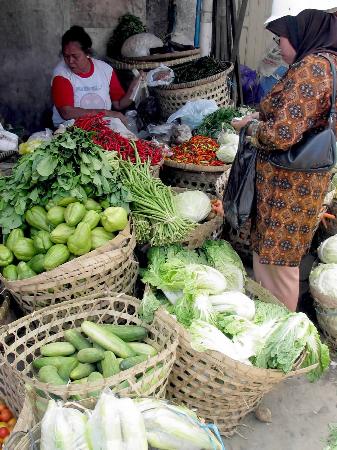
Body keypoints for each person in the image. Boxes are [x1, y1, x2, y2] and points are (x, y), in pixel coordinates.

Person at [214, 4, 337, 311]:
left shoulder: (313, 67)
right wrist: (264, 115)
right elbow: (304, 119)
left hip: (288, 189)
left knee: (278, 266)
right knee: (278, 262)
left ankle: (281, 333)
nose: (277, 45)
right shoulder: (330, 61)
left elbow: (280, 135)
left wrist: (250, 125)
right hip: (301, 184)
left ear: (302, 30)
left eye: (281, 37)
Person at [52, 26, 141, 127]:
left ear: (87, 53)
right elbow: (67, 112)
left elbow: (119, 104)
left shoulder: (105, 69)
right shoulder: (61, 74)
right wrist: (107, 113)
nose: (70, 61)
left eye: (75, 56)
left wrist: (135, 86)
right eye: (66, 56)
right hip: (69, 129)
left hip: (100, 127)